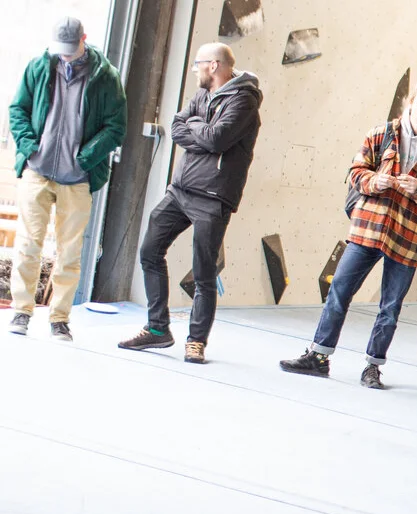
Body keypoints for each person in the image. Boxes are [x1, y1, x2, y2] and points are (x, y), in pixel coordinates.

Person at [279, 83, 417, 388]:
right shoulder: (380, 134)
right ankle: (319, 356)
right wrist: (377, 181)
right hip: (368, 229)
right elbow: (356, 173)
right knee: (339, 291)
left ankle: (373, 366)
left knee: (390, 306)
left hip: (409, 240)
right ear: (410, 103)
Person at [117, 43, 261, 363]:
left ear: (213, 65)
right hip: (180, 190)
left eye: (198, 64)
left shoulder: (244, 100)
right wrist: (200, 128)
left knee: (203, 273)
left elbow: (216, 139)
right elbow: (177, 125)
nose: (194, 70)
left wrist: (198, 129)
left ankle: (196, 341)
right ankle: (158, 329)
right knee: (150, 250)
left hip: (213, 196)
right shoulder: (202, 94)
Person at [7, 17, 126, 341]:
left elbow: (116, 126)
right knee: (28, 245)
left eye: (70, 51)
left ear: (83, 40)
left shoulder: (106, 77)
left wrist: (86, 158)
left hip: (77, 178)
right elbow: (17, 109)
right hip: (37, 170)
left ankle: (60, 319)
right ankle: (21, 312)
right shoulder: (39, 67)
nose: (65, 57)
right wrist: (30, 147)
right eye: (60, 51)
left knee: (70, 252)